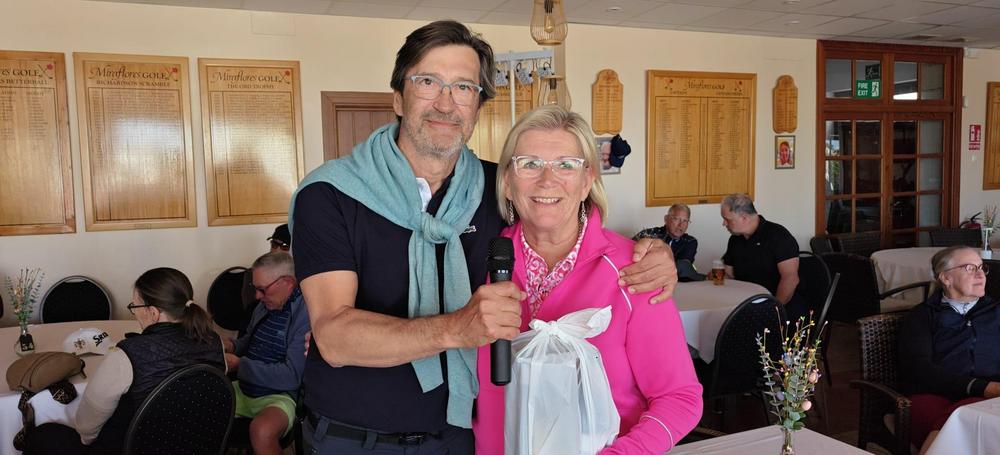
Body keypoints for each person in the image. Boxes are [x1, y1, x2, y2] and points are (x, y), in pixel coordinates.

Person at [288, 20, 677, 454]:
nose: (445, 102)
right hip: (354, 438)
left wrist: (654, 254)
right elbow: (334, 338)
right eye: (428, 81)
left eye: (463, 87)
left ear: (477, 107)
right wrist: (458, 328)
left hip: (463, 437)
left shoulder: (497, 188)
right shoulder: (331, 195)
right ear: (398, 97)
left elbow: (563, 215)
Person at [473, 105, 702, 454]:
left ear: (587, 181)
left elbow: (680, 398)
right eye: (530, 163)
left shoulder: (635, 270)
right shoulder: (476, 261)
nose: (547, 180)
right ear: (507, 182)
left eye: (566, 164)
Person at [27, 268, 225, 455]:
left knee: (41, 435)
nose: (134, 312)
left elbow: (86, 428)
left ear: (153, 313)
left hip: (136, 448)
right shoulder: (215, 342)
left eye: (135, 307)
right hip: (198, 445)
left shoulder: (128, 355)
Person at [899, 246, 1000, 454]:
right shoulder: (922, 316)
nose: (980, 274)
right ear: (945, 278)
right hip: (934, 393)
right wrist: (982, 387)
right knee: (960, 417)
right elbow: (919, 368)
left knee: (974, 417)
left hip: (991, 394)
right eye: (970, 268)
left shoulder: (995, 312)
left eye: (982, 267)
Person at [223, 252, 310, 455]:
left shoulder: (304, 315)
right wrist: (231, 346)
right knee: (197, 405)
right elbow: (248, 342)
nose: (257, 296)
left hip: (279, 396)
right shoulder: (264, 306)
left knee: (262, 431)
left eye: (262, 289)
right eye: (256, 288)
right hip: (244, 388)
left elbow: (292, 376)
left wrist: (240, 365)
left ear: (288, 282)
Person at [720, 193, 805, 320]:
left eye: (727, 219)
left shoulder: (778, 236)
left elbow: (790, 279)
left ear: (744, 217)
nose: (724, 223)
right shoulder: (735, 239)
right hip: (745, 305)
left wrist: (774, 310)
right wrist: (716, 276)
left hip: (779, 307)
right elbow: (729, 274)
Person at [633, 204, 698, 263]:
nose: (681, 225)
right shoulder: (648, 234)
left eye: (685, 221)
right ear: (666, 219)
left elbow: (682, 268)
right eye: (676, 219)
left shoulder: (690, 242)